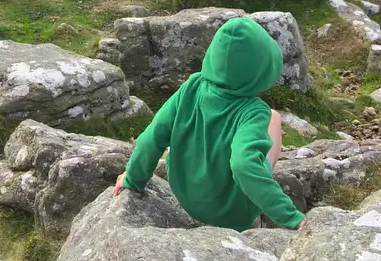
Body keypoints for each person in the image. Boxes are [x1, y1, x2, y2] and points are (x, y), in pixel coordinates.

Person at [115, 16, 304, 231]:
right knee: (274, 118)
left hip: (187, 198)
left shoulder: (192, 86)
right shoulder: (254, 112)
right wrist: (291, 217)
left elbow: (151, 138)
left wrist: (133, 179)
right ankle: (256, 222)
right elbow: (244, 165)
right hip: (233, 216)